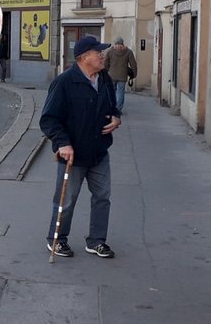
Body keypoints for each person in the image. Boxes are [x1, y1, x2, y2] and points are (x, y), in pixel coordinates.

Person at [40, 35, 121, 258]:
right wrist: (63, 143)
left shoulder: (103, 79)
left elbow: (112, 106)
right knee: (65, 201)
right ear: (85, 57)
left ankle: (96, 241)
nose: (103, 56)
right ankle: (57, 239)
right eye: (99, 53)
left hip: (99, 152)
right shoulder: (64, 82)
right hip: (73, 155)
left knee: (103, 197)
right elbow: (49, 119)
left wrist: (116, 117)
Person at [105, 37, 137, 113]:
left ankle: (111, 108)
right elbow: (133, 65)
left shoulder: (110, 51)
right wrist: (134, 74)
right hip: (122, 76)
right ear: (122, 43)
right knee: (120, 93)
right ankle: (118, 109)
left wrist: (106, 71)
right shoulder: (128, 52)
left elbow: (105, 63)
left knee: (111, 92)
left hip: (111, 75)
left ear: (115, 43)